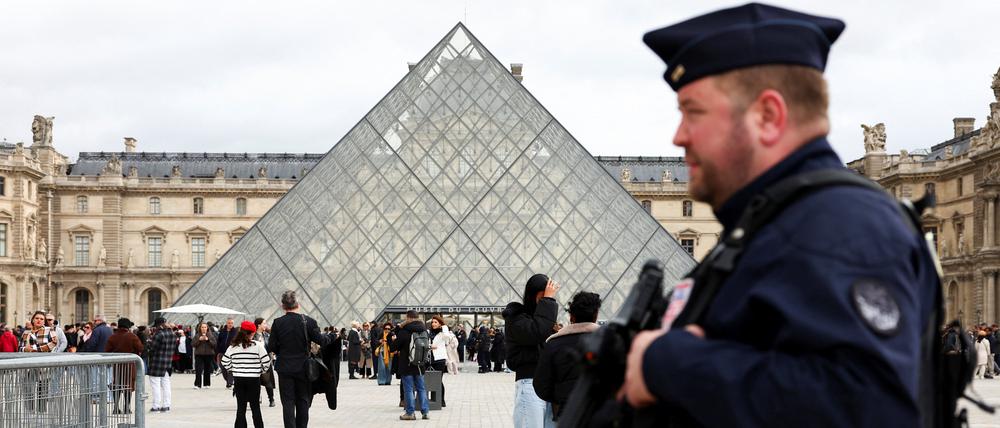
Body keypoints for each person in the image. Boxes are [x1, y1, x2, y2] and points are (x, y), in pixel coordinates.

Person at [620, 4, 940, 426]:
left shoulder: (840, 225)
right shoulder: (777, 221)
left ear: (768, 117)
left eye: (693, 111)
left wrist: (671, 363)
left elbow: (868, 406)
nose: (679, 135)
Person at [533, 291, 601, 427]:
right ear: (596, 315)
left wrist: (560, 396)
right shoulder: (610, 342)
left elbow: (541, 386)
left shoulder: (553, 344)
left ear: (571, 316)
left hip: (567, 413)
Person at [502, 274, 559, 428]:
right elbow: (536, 332)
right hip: (529, 383)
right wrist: (549, 301)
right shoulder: (516, 318)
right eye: (543, 299)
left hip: (549, 386)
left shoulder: (543, 320)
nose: (545, 303)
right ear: (532, 295)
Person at [268, 290, 330, 428]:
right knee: (303, 400)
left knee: (288, 402)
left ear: (283, 306)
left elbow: (271, 346)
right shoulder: (308, 321)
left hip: (284, 367)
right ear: (298, 304)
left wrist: (283, 352)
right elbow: (321, 340)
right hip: (303, 367)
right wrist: (331, 336)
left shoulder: (277, 322)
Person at [222, 320, 272, 428]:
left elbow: (224, 362)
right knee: (255, 408)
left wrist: (233, 369)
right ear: (252, 333)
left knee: (241, 408)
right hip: (254, 379)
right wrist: (260, 370)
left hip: (239, 378)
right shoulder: (257, 345)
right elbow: (266, 362)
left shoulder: (233, 347)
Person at [391, 310, 430, 421]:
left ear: (408, 318)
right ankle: (425, 412)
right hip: (420, 364)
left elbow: (393, 348)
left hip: (406, 364)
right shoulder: (424, 331)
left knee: (408, 390)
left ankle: (410, 413)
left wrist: (395, 335)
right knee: (421, 389)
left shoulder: (404, 332)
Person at [106, 318, 143, 414]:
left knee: (117, 385)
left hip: (117, 364)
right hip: (129, 364)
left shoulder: (112, 337)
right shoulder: (132, 336)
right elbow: (140, 348)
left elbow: (106, 351)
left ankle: (115, 407)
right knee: (128, 386)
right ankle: (127, 407)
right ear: (128, 326)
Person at [146, 317, 177, 413]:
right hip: (167, 362)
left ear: (159, 325)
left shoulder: (159, 334)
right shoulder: (172, 334)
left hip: (157, 363)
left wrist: (148, 344)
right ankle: (166, 405)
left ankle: (156, 406)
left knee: (155, 385)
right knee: (166, 385)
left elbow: (152, 349)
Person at [253, 317, 276, 407]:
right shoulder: (253, 336)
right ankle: (258, 398)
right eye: (264, 323)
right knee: (256, 382)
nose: (266, 325)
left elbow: (270, 347)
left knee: (267, 382)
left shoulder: (267, 335)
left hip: (266, 361)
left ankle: (271, 399)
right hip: (255, 362)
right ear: (259, 325)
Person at [428, 315, 450, 407]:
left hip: (439, 359)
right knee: (430, 380)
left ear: (440, 324)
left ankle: (441, 400)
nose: (433, 324)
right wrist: (430, 346)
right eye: (432, 322)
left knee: (438, 380)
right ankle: (433, 399)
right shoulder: (428, 332)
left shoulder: (443, 333)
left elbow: (447, 339)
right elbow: (426, 343)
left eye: (436, 322)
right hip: (429, 359)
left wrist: (444, 326)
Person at [193, 322, 217, 389]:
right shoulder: (197, 335)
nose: (204, 329)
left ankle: (207, 384)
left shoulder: (211, 335)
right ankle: (197, 384)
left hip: (209, 354)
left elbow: (214, 344)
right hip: (199, 354)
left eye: (205, 327)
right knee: (198, 370)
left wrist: (208, 340)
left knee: (207, 369)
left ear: (207, 328)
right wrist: (199, 340)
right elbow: (192, 344)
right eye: (202, 327)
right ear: (200, 328)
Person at [216, 318, 238, 389]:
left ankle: (230, 383)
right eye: (229, 323)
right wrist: (218, 350)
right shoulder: (222, 331)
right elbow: (218, 341)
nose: (230, 324)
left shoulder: (236, 332)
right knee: (223, 368)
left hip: (232, 352)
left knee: (231, 367)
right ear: (226, 323)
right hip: (222, 352)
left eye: (231, 323)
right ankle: (228, 381)